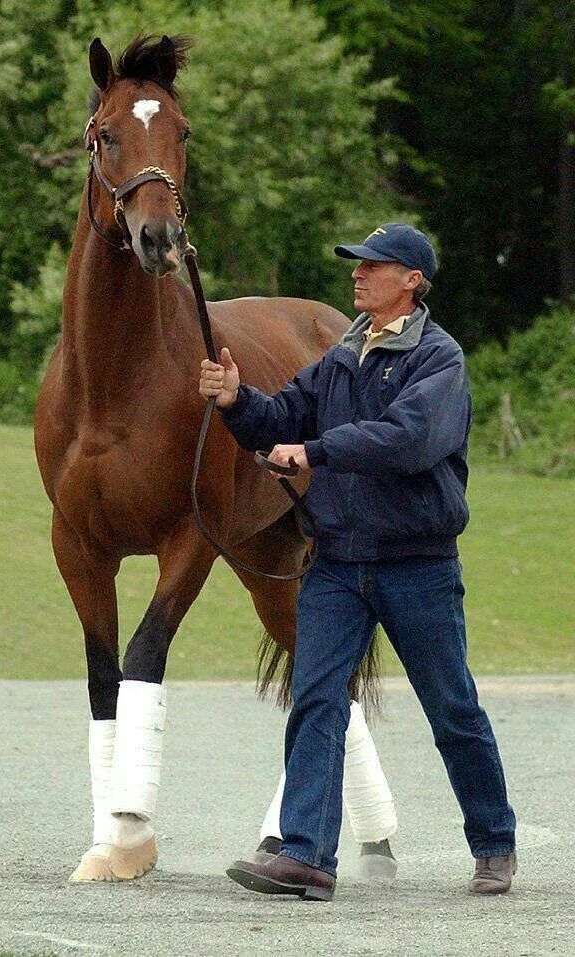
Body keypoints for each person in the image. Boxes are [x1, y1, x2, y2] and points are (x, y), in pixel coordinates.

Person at [199, 223, 516, 902]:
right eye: (356, 263)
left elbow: (406, 441)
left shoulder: (440, 360)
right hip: (338, 560)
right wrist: (237, 400)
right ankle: (309, 855)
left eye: (374, 265)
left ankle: (494, 841)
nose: (357, 273)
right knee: (316, 699)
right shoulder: (343, 356)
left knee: (451, 707)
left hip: (416, 563)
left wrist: (316, 451)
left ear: (412, 280)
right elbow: (284, 414)